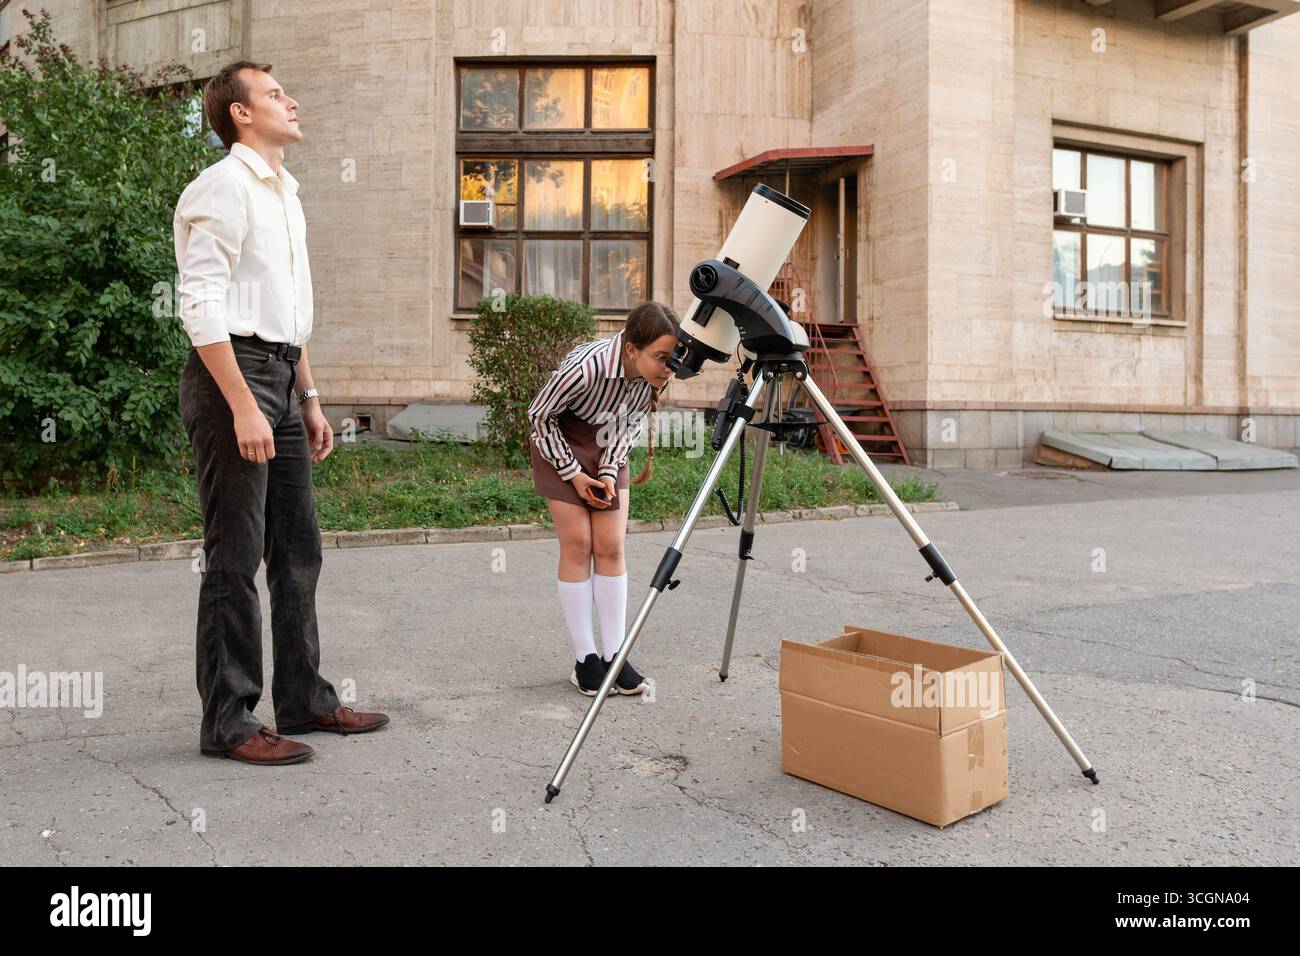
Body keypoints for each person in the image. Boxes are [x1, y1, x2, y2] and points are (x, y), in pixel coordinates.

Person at [173, 60, 389, 765]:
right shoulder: (222, 188)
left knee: (298, 547)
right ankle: (230, 722)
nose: (290, 100)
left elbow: (287, 318)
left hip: (282, 379)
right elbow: (201, 307)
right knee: (234, 557)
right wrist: (244, 407)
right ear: (239, 113)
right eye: (272, 93)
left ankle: (305, 700)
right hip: (231, 379)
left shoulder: (285, 193)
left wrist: (310, 398)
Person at [527, 302, 680, 696]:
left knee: (610, 547)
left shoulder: (652, 377)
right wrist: (574, 475)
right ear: (632, 350)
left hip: (608, 443)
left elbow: (629, 426)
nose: (668, 368)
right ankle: (585, 661)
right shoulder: (585, 369)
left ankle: (615, 655)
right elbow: (539, 417)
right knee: (578, 545)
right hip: (559, 440)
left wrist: (608, 471)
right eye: (661, 358)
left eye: (672, 359)